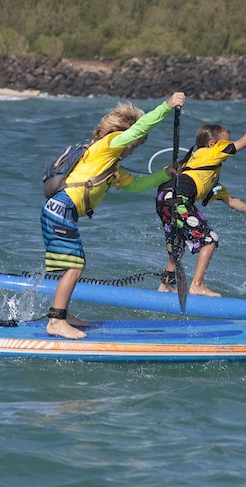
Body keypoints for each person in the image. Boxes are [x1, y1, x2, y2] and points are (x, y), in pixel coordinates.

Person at [41, 92, 186, 339]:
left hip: (62, 211)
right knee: (75, 266)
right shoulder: (108, 144)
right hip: (61, 209)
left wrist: (165, 174)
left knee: (75, 265)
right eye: (136, 144)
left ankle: (62, 314)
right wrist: (166, 106)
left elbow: (134, 185)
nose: (134, 149)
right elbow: (139, 129)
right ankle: (55, 320)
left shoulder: (111, 164)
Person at [156, 109, 246, 297]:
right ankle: (197, 285)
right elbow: (245, 141)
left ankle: (166, 284)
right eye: (227, 143)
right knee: (209, 239)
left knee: (178, 242)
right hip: (178, 198)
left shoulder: (205, 172)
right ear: (213, 144)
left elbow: (230, 201)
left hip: (165, 198)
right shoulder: (209, 153)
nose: (229, 147)